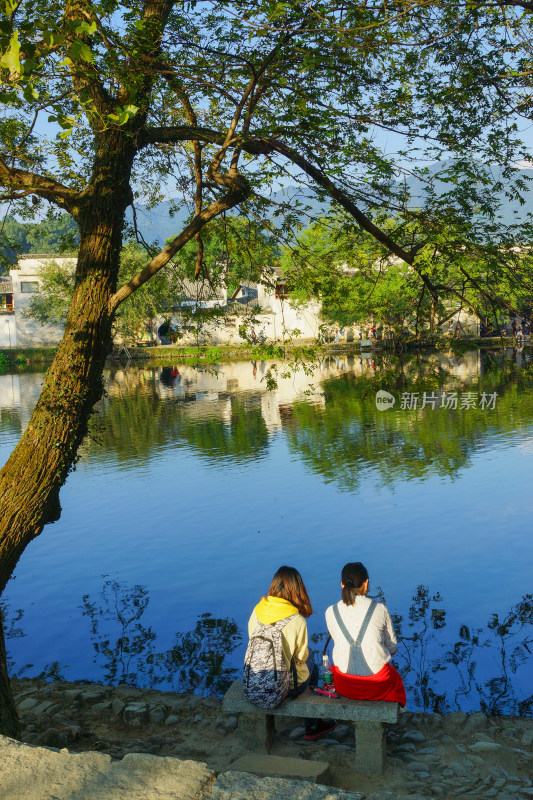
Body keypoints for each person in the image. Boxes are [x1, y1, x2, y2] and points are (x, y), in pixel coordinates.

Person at [247, 566, 335, 740]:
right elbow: (301, 657)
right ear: (297, 590)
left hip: (253, 684)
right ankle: (312, 726)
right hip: (285, 688)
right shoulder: (296, 620)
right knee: (313, 665)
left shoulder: (257, 611)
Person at [325, 562, 406, 706]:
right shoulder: (380, 609)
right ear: (366, 583)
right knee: (395, 679)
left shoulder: (331, 612)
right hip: (376, 686)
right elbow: (393, 649)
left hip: (344, 685)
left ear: (342, 585)